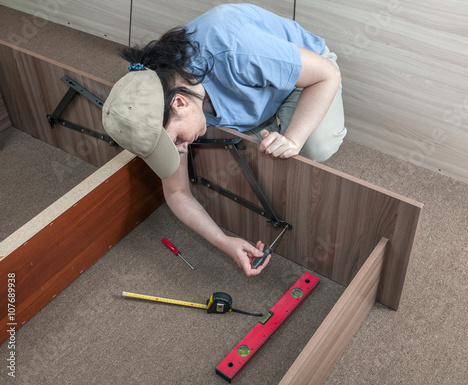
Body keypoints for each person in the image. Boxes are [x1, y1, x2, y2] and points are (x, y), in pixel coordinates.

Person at [102, 4, 346, 276]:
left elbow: (327, 74)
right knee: (260, 161)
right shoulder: (159, 100)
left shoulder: (234, 47)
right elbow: (176, 192)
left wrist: (294, 139)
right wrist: (224, 241)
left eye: (178, 139)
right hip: (254, 93)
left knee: (314, 148)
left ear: (180, 102)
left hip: (309, 78)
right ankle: (262, 116)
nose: (182, 149)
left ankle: (283, 125)